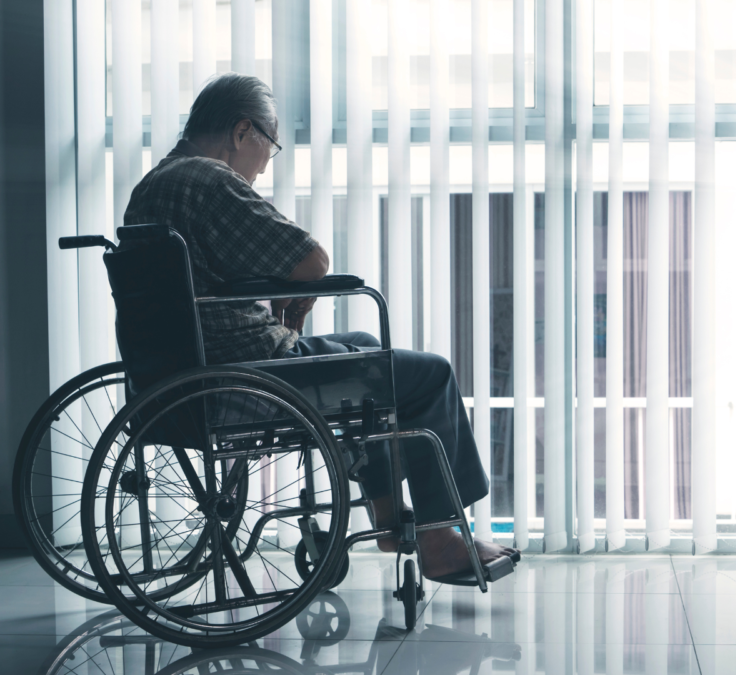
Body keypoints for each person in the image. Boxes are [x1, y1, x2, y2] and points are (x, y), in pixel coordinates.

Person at [123, 72, 517, 580]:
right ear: (244, 132)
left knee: (368, 351)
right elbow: (312, 259)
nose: (264, 168)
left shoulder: (153, 186)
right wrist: (301, 288)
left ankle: (388, 519)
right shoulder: (208, 179)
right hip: (247, 374)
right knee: (431, 374)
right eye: (271, 147)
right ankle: (440, 539)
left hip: (187, 373)